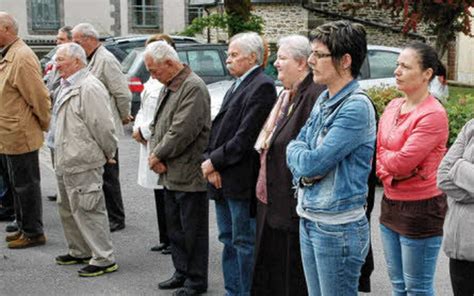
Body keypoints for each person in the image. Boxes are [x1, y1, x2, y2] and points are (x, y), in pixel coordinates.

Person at [286, 21, 376, 296]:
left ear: (345, 60)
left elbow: (313, 162)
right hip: (311, 217)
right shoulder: (324, 98)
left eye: (319, 54)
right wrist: (302, 161)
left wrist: (303, 161)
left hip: (337, 228)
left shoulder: (356, 106)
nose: (310, 61)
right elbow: (294, 148)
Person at [202, 32, 277, 296]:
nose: (228, 59)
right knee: (227, 239)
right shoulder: (237, 84)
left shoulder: (262, 85)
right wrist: (210, 162)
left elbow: (246, 137)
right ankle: (232, 290)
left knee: (243, 241)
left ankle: (245, 292)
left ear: (253, 57)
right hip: (222, 175)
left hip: (240, 178)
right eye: (228, 54)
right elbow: (219, 129)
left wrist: (213, 162)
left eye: (234, 54)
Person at [251, 35, 325, 296]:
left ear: (302, 63)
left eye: (282, 58)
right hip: (269, 202)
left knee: (290, 281)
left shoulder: (313, 96)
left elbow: (308, 153)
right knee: (269, 279)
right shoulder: (286, 95)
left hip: (289, 208)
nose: (276, 63)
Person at [376, 41, 449, 296]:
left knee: (417, 289)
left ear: (427, 74)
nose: (397, 71)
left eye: (405, 67)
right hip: (390, 203)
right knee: (398, 286)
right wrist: (389, 167)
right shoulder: (393, 106)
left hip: (421, 209)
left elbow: (403, 161)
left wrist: (388, 161)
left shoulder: (433, 115)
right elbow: (380, 152)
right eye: (397, 65)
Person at [146, 41, 211, 296]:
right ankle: (181, 272)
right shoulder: (170, 84)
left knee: (192, 230)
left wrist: (157, 154)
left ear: (171, 64)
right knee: (175, 228)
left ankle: (196, 280)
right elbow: (159, 123)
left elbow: (182, 130)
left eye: (154, 71)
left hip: (188, 170)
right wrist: (156, 154)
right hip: (170, 169)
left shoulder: (192, 86)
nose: (152, 76)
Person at [51, 42, 119, 277]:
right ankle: (79, 250)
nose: (55, 64)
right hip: (65, 158)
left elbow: (103, 126)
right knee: (68, 207)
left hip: (83, 159)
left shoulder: (89, 87)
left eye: (61, 60)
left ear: (77, 61)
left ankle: (103, 257)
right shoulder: (65, 84)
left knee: (89, 208)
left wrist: (109, 153)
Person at [72, 23, 132, 232]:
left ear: (90, 39)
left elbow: (122, 92)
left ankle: (117, 217)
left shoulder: (105, 59)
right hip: (95, 124)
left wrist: (125, 117)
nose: (75, 46)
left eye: (77, 42)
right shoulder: (91, 59)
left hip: (107, 124)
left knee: (109, 174)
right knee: (101, 173)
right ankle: (109, 213)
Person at [0, 12, 51, 249]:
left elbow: (38, 96)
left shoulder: (21, 56)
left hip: (20, 133)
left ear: (7, 30)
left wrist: (44, 123)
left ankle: (33, 232)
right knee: (16, 184)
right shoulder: (10, 54)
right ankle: (23, 226)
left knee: (26, 185)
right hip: (9, 134)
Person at [132, 34, 174, 255]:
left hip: (156, 140)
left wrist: (144, 131)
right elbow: (141, 110)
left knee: (166, 194)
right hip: (146, 138)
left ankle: (171, 238)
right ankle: (164, 236)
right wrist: (136, 129)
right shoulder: (151, 81)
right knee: (158, 194)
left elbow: (160, 117)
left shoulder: (164, 83)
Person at [437, 119, 474, 296]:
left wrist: (459, 166)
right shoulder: (471, 126)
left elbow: (451, 168)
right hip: (461, 250)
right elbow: (443, 176)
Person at [44, 25, 73, 203]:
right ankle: (60, 189)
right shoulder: (55, 60)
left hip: (65, 116)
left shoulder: (73, 61)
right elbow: (49, 82)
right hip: (54, 114)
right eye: (57, 39)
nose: (57, 42)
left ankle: (68, 192)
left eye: (61, 39)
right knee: (54, 152)